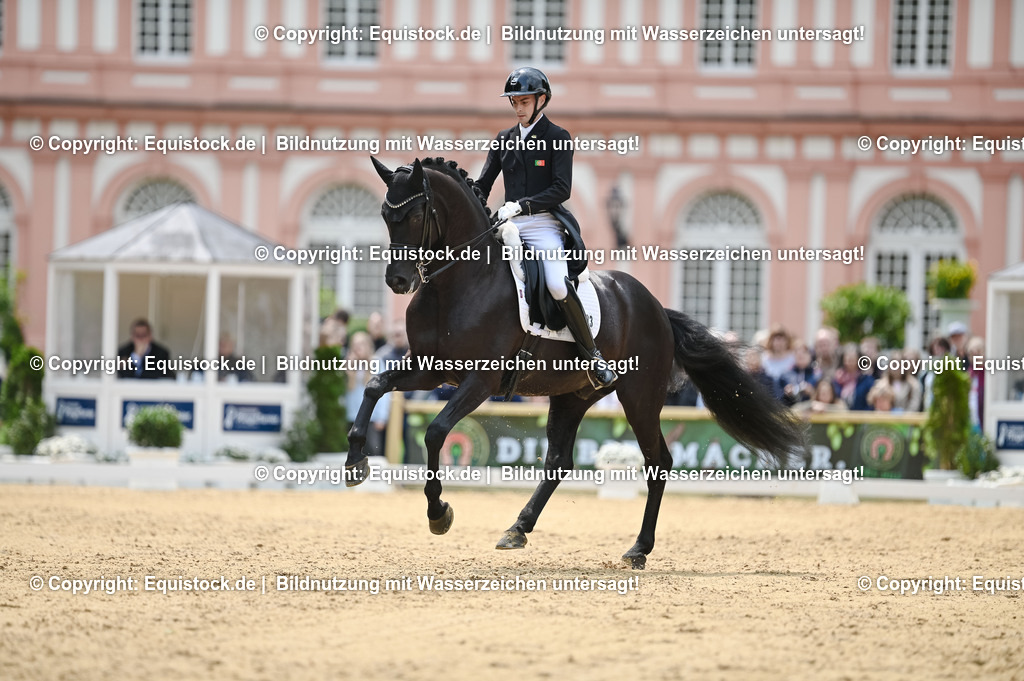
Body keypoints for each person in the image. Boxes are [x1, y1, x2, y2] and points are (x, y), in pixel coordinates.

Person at [476, 66, 616, 390]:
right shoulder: (504, 139)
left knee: (556, 284)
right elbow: (483, 185)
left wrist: (523, 205)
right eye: (514, 102)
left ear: (541, 100)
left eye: (524, 102)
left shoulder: (558, 137)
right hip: (509, 226)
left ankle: (592, 356)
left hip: (543, 225)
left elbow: (561, 189)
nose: (518, 108)